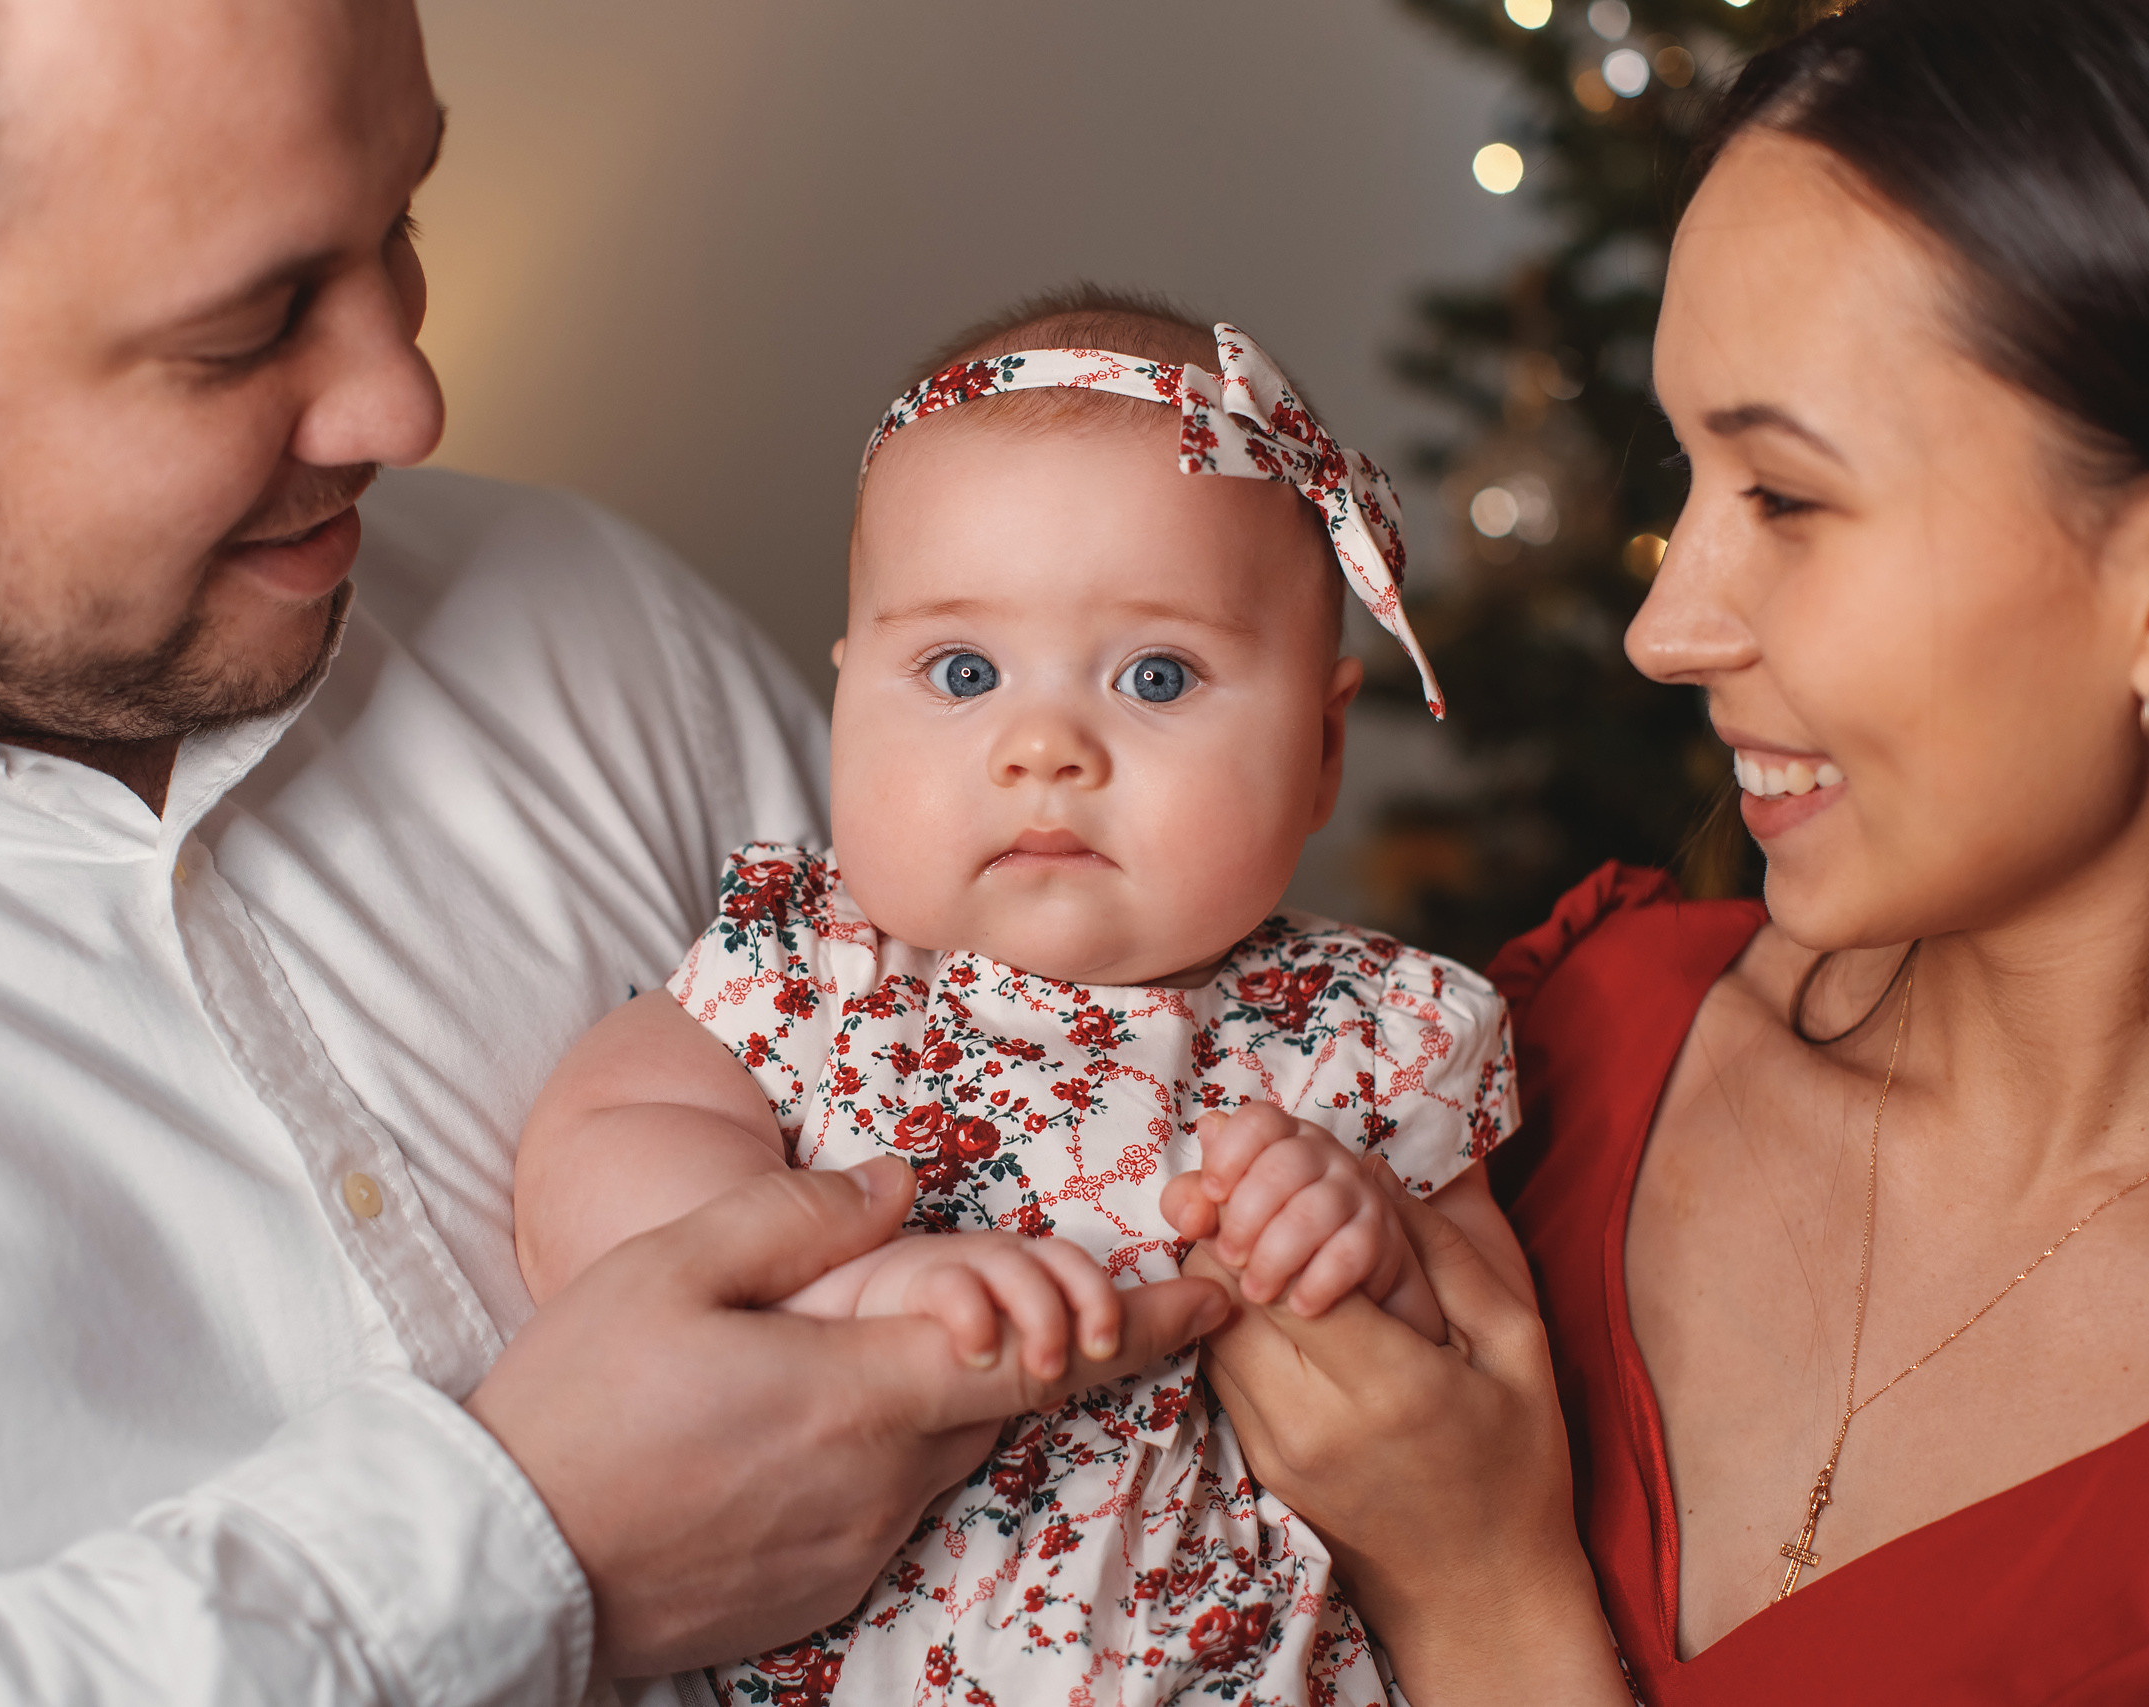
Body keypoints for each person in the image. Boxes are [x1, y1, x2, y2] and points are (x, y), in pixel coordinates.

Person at [0, 0, 1232, 1698]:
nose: (403, 403)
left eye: (400, 222)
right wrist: (521, 1549)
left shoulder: (596, 628)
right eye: (246, 325)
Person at [1191, 0, 2149, 1701]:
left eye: (1790, 497)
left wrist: (1482, 1597)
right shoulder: (1547, 1055)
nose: (1664, 631)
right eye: (1687, 473)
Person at [510, 295, 1527, 1706]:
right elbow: (600, 1142)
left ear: (1321, 747)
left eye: (1156, 676)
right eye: (964, 672)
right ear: (849, 699)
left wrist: (1360, 1242)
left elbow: (1485, 1388)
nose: (1044, 747)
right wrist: (842, 1287)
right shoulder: (814, 967)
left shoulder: (1367, 1034)